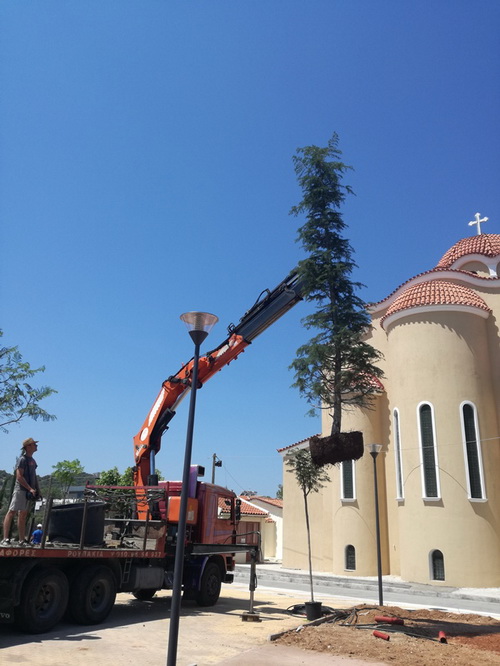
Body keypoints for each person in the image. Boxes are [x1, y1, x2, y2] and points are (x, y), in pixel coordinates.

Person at [1, 438, 42, 547]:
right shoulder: (22, 460)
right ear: (28, 447)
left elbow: (34, 476)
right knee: (12, 512)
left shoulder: (33, 460)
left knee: (23, 514)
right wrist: (30, 488)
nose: (36, 446)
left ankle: (21, 540)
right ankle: (5, 539)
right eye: (34, 444)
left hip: (29, 491)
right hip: (20, 490)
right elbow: (19, 477)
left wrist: (38, 490)